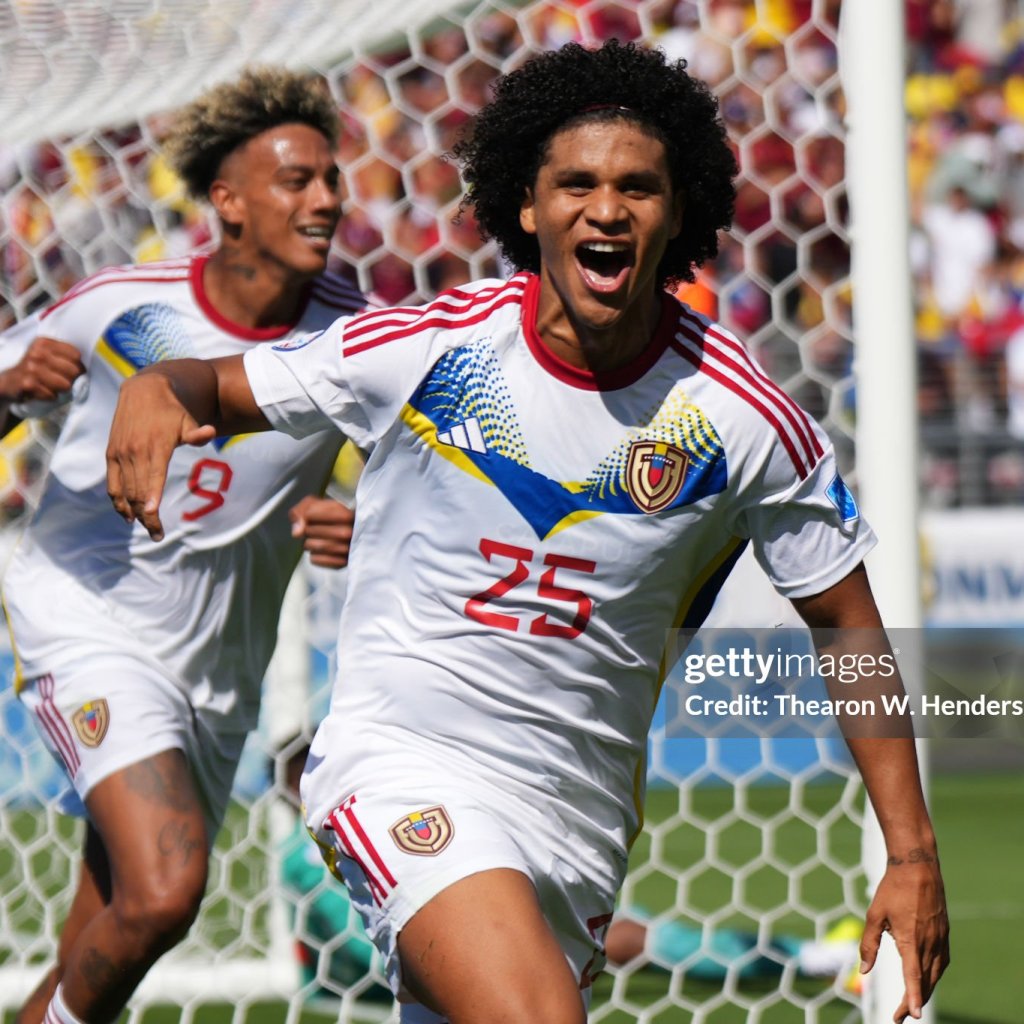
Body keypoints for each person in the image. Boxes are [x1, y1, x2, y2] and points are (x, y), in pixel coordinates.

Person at [106, 40, 949, 1024]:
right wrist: (159, 388)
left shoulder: (743, 417)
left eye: (637, 186)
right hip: (400, 765)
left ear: (677, 212)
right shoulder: (429, 349)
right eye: (576, 183)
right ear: (525, 204)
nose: (605, 208)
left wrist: (910, 853)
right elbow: (220, 385)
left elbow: (846, 624)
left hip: (575, 822)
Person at [0, 67, 366, 1024]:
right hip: (88, 618)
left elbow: (425, 483)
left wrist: (367, 526)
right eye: (297, 180)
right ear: (227, 201)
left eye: (331, 177)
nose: (326, 197)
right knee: (167, 889)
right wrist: (3, 389)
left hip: (217, 669)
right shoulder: (117, 305)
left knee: (111, 936)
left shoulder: (352, 336)